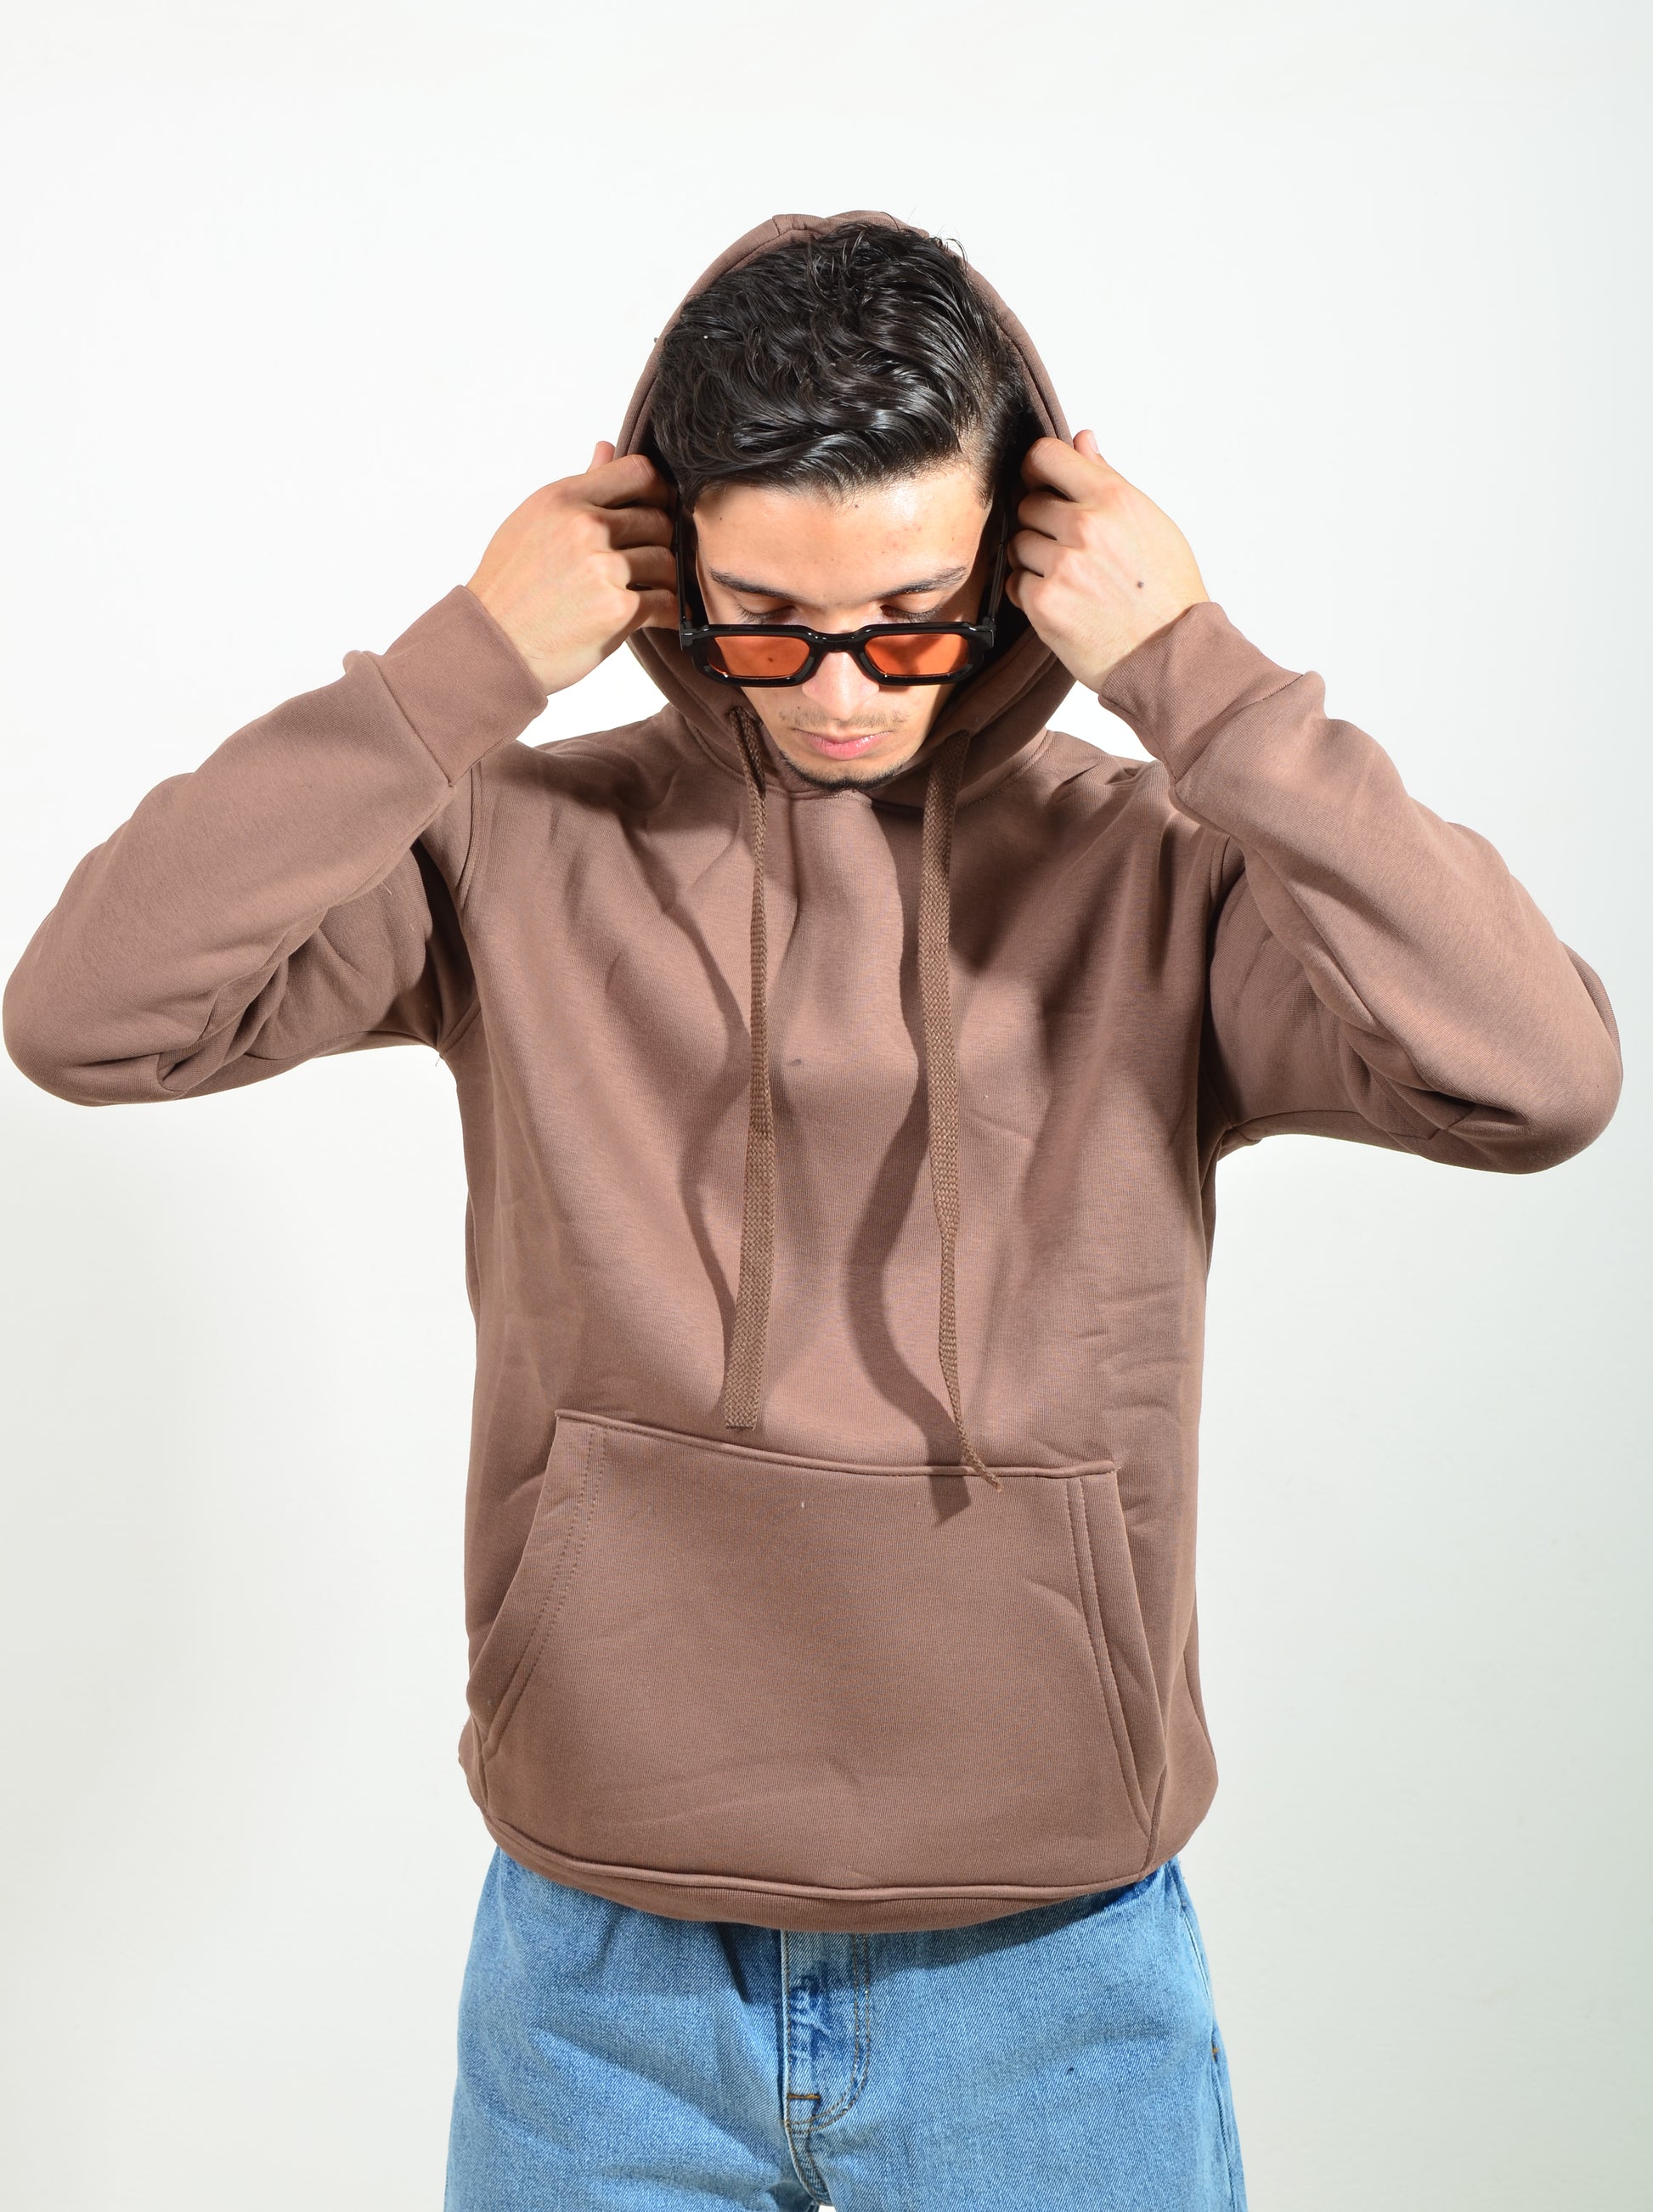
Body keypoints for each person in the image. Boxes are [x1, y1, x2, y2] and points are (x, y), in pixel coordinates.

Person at [3, 211, 1622, 2210]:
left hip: (1049, 1955)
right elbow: (88, 1018)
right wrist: (460, 669)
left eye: (912, 620)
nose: (842, 690)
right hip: (600, 1955)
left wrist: (1199, 680)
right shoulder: (511, 846)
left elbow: (1535, 1078)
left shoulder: (1159, 874)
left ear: (1021, 567)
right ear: (665, 570)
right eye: (766, 620)